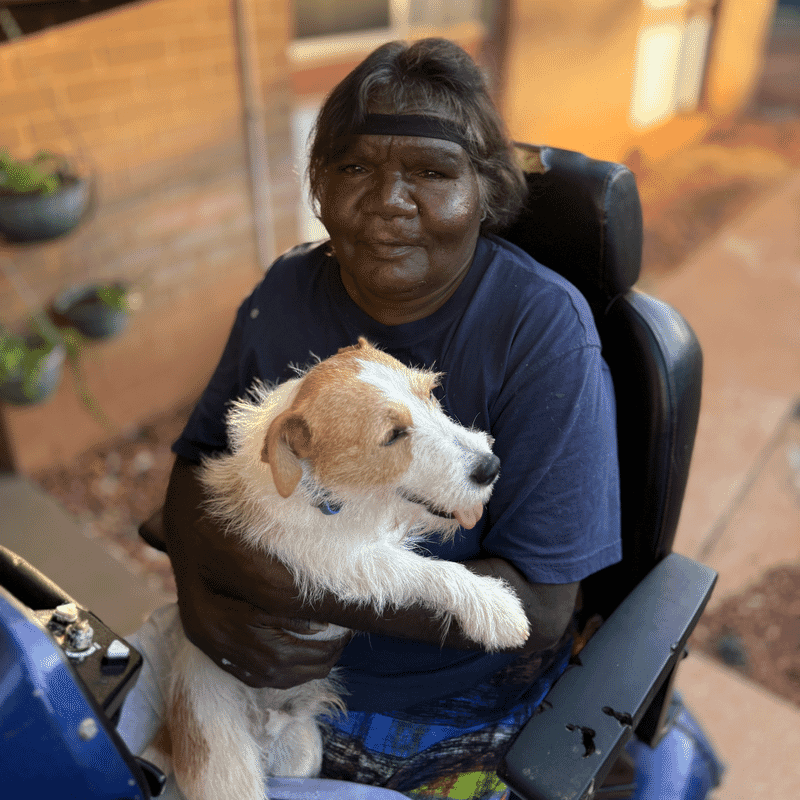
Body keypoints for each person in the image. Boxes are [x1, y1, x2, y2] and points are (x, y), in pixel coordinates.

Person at [136, 38, 621, 800]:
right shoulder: (286, 292)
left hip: (434, 702)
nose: (390, 200)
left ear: (486, 192)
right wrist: (201, 602)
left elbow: (541, 608)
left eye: (432, 172)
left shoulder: (543, 333)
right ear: (320, 187)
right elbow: (196, 466)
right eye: (355, 169)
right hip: (244, 649)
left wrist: (296, 587)